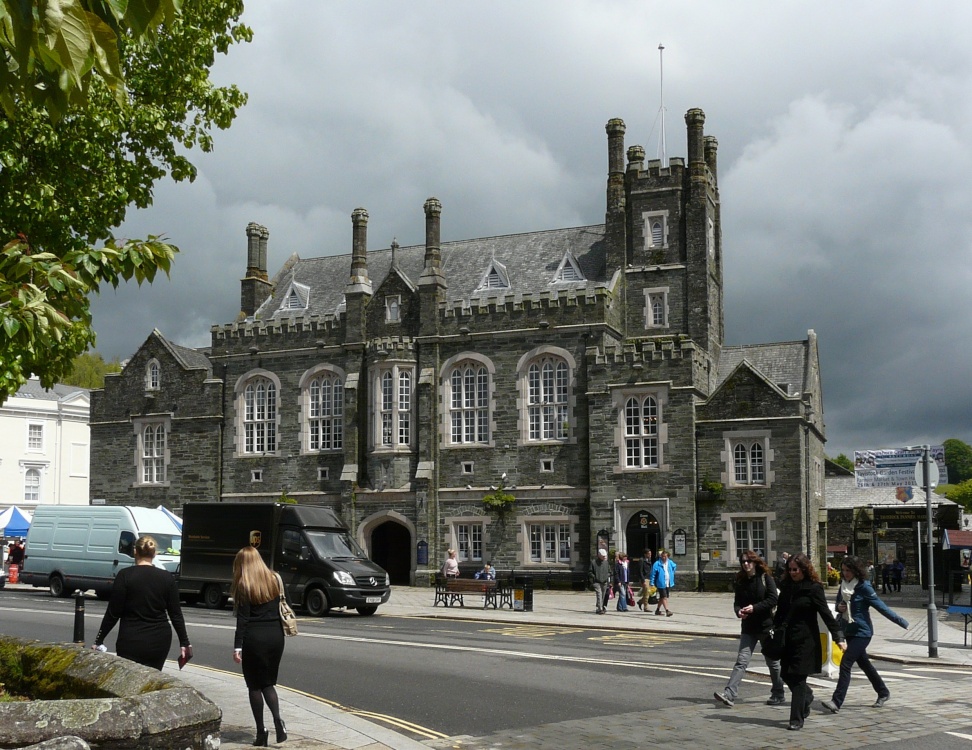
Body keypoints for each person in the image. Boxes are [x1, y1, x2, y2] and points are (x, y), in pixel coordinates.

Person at [820, 555, 908, 714]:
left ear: (856, 571)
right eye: (844, 570)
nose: (845, 573)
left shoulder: (864, 587)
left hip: (863, 632)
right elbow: (840, 605)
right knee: (865, 664)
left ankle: (836, 701)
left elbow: (881, 607)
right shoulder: (843, 586)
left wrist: (901, 621)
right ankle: (883, 692)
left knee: (846, 663)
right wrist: (839, 608)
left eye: (849, 570)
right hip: (848, 631)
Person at [93, 535, 191, 671]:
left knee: (129, 679)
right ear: (154, 554)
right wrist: (184, 642)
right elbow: (176, 615)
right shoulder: (167, 578)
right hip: (159, 640)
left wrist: (99, 639)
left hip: (131, 639)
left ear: (135, 552)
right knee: (152, 680)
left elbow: (113, 613)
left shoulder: (125, 575)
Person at [775, 553, 846, 731]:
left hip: (806, 640)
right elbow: (780, 612)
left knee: (798, 678)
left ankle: (796, 719)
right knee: (785, 674)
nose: (792, 573)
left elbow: (826, 614)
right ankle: (807, 695)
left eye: (796, 570)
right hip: (787, 639)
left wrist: (839, 637)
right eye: (790, 569)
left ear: (804, 569)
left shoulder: (814, 588)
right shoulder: (786, 586)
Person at [232, 546, 288, 747]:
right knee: (268, 682)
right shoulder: (275, 579)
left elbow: (243, 620)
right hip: (276, 636)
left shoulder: (244, 584)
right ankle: (278, 720)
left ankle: (261, 732)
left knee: (254, 685)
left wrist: (238, 646)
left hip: (255, 638)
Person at [714, 551, 785, 708]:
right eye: (743, 561)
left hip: (766, 626)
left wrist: (755, 608)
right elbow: (737, 602)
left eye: (748, 561)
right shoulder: (740, 580)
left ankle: (778, 692)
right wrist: (738, 611)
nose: (745, 564)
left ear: (755, 562)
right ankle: (730, 694)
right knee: (742, 661)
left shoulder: (766, 578)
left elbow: (773, 599)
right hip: (748, 628)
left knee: (773, 663)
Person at [650, 549, 676, 616]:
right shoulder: (657, 564)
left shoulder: (670, 562)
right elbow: (653, 574)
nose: (664, 558)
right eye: (663, 556)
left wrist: (672, 573)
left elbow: (674, 566)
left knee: (662, 597)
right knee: (664, 597)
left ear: (668, 557)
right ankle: (667, 611)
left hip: (668, 582)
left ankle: (657, 610)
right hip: (660, 583)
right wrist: (652, 583)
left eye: (665, 556)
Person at [589, 548, 611, 615]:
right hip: (596, 581)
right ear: (599, 555)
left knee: (603, 595)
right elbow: (590, 572)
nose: (604, 557)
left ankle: (600, 606)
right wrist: (594, 577)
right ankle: (600, 608)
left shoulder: (606, 563)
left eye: (605, 556)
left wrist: (607, 576)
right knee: (599, 594)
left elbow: (610, 571)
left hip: (604, 581)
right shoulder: (593, 562)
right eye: (603, 556)